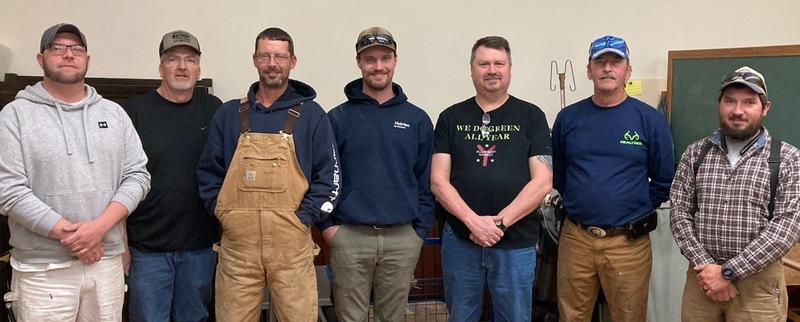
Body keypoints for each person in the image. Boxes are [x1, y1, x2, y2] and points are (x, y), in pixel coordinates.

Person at [0, 23, 151, 321]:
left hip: (105, 264)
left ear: (87, 60)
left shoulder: (113, 114)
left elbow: (137, 176)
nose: (68, 54)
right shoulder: (14, 116)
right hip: (42, 272)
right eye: (57, 48)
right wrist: (74, 238)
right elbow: (9, 190)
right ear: (41, 59)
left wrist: (97, 230)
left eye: (76, 49)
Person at [197, 27, 339, 322]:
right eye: (265, 56)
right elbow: (208, 173)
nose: (272, 63)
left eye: (279, 56)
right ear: (255, 59)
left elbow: (329, 178)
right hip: (238, 250)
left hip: (292, 248)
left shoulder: (313, 116)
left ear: (292, 61)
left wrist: (305, 217)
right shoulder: (229, 114)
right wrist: (225, 213)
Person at [551, 35, 675, 322]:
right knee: (571, 316)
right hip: (576, 239)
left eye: (615, 62)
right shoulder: (568, 118)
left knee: (629, 317)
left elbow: (664, 178)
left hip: (628, 242)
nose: (608, 68)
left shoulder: (649, 119)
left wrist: (633, 208)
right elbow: (559, 173)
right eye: (601, 62)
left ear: (627, 71)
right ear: (589, 70)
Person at [430, 36, 552, 321]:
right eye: (483, 63)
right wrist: (473, 222)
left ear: (510, 68)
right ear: (471, 69)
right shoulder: (450, 117)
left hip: (516, 242)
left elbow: (543, 181)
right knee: (461, 316)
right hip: (461, 240)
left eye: (499, 63)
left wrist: (498, 223)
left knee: (514, 317)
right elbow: (438, 180)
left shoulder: (531, 116)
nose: (491, 70)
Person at [319, 26, 434, 322]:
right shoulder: (337, 118)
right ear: (359, 62)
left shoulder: (417, 119)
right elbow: (322, 176)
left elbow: (426, 180)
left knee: (392, 318)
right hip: (349, 237)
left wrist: (418, 232)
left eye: (385, 57)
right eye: (370, 59)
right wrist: (329, 227)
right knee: (350, 318)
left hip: (402, 238)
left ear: (395, 60)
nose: (378, 66)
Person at [669, 66, 800, 321]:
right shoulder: (695, 154)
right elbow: (679, 213)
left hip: (758, 288)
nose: (737, 111)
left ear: (765, 108)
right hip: (701, 281)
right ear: (719, 104)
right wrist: (708, 269)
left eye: (749, 102)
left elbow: (785, 228)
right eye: (730, 101)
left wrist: (727, 272)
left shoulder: (788, 159)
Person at [123, 30, 222, 322]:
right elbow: (118, 181)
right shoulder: (134, 112)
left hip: (200, 247)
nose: (182, 66)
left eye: (190, 59)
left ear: (198, 68)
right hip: (147, 249)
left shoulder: (215, 110)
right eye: (173, 59)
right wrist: (120, 245)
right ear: (161, 67)